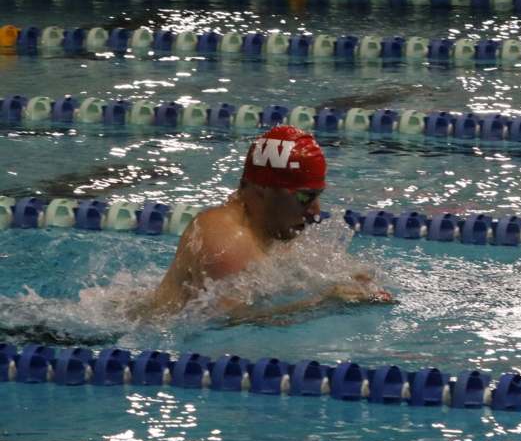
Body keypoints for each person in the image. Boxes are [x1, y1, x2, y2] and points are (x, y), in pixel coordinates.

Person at [138, 125, 393, 322]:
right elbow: (228, 323)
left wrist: (350, 279)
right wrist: (325, 303)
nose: (316, 211)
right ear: (262, 191)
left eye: (317, 196)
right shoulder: (226, 240)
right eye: (304, 197)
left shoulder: (273, 228)